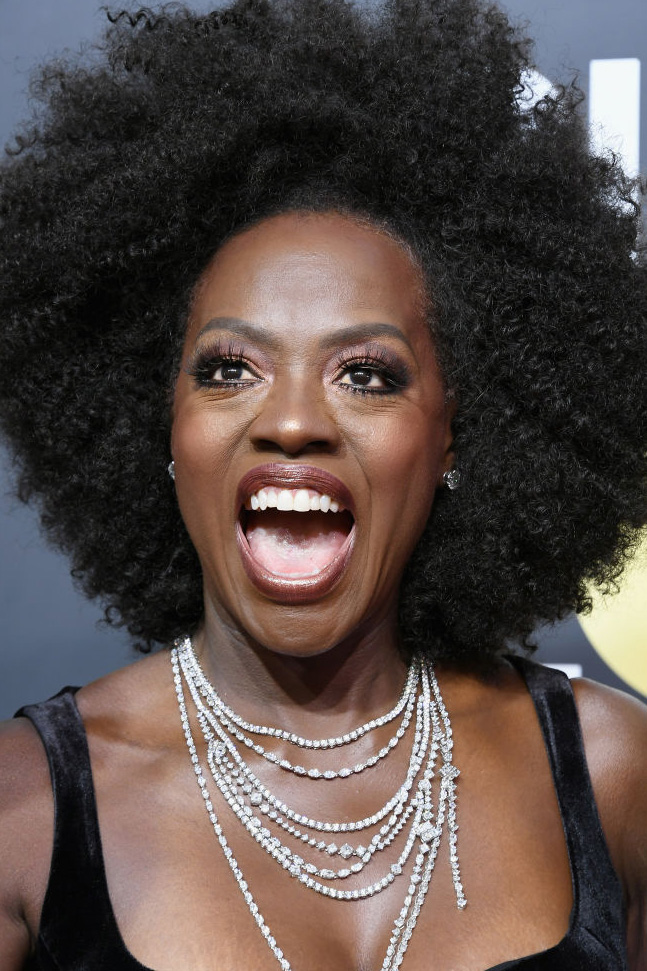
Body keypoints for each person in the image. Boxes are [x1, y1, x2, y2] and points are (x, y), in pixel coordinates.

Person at [0, 0, 646, 968]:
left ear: (453, 437)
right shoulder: (25, 812)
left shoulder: (611, 771)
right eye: (227, 369)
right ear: (164, 428)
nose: (291, 419)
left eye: (367, 374)